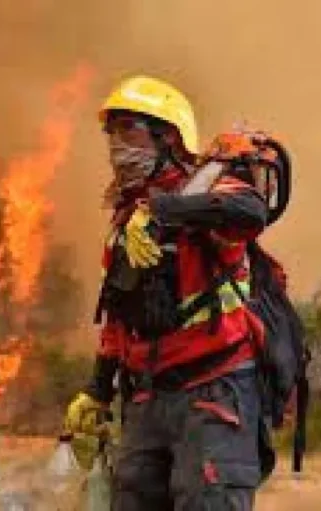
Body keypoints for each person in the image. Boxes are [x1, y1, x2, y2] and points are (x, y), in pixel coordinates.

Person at [64, 76, 273, 510]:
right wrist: (98, 391)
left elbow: (250, 211)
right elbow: (119, 321)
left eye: (129, 129)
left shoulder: (205, 193)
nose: (117, 145)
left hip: (214, 393)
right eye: (112, 133)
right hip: (147, 399)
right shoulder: (125, 225)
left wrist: (161, 211)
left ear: (168, 138)